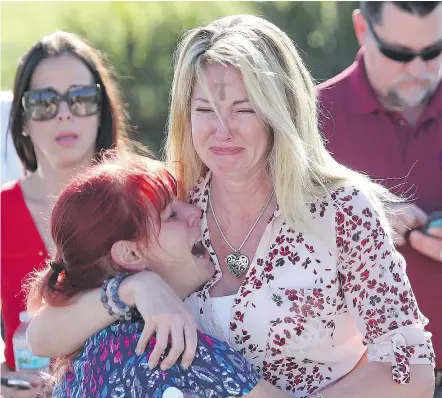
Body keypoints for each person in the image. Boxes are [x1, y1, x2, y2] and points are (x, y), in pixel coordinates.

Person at [27, 15, 435, 398]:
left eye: (244, 109)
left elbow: (411, 369)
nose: (222, 131)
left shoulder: (342, 209)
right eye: (205, 109)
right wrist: (134, 288)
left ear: (282, 111)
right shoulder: (175, 207)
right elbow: (43, 336)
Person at [26, 151, 292, 398]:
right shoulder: (169, 347)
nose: (195, 212)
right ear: (130, 255)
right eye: (171, 214)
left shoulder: (92, 345)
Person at [316, 2, 442, 396]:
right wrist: (358, 223)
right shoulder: (311, 119)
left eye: (434, 51)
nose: (419, 70)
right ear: (361, 28)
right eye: (400, 54)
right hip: (365, 384)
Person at [0, 30, 129, 397]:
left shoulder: (144, 199)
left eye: (82, 98)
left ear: (102, 108)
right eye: (44, 102)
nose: (65, 114)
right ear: (23, 119)